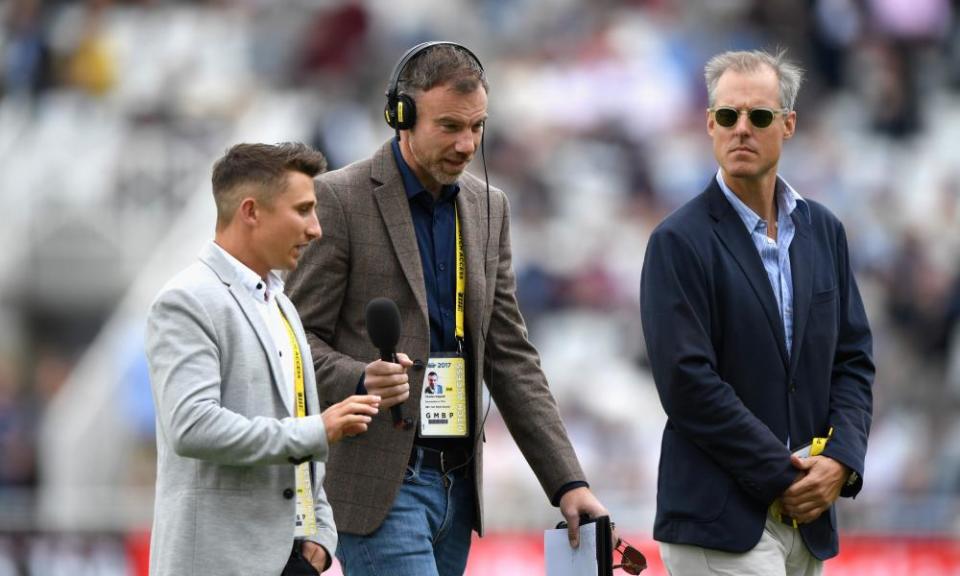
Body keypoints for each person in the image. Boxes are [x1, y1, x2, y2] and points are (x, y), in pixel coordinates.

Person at [286, 41, 607, 576]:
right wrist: (360, 377)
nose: (467, 143)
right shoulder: (338, 199)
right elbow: (294, 344)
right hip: (377, 486)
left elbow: (510, 356)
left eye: (477, 127)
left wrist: (568, 482)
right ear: (402, 117)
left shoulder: (489, 207)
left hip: (457, 490)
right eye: (450, 127)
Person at [640, 49, 875, 575]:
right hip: (720, 518)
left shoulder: (825, 232)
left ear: (788, 124)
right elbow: (687, 385)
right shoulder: (677, 241)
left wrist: (841, 461)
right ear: (709, 124)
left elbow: (853, 360)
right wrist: (785, 474)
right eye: (728, 116)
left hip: (807, 520)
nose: (741, 128)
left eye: (759, 116)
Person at [145, 143, 381, 576]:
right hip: (217, 563)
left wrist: (321, 538)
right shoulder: (186, 300)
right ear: (251, 211)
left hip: (294, 559)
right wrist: (318, 430)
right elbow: (192, 426)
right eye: (304, 210)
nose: (316, 230)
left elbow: (299, 421)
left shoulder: (284, 305)